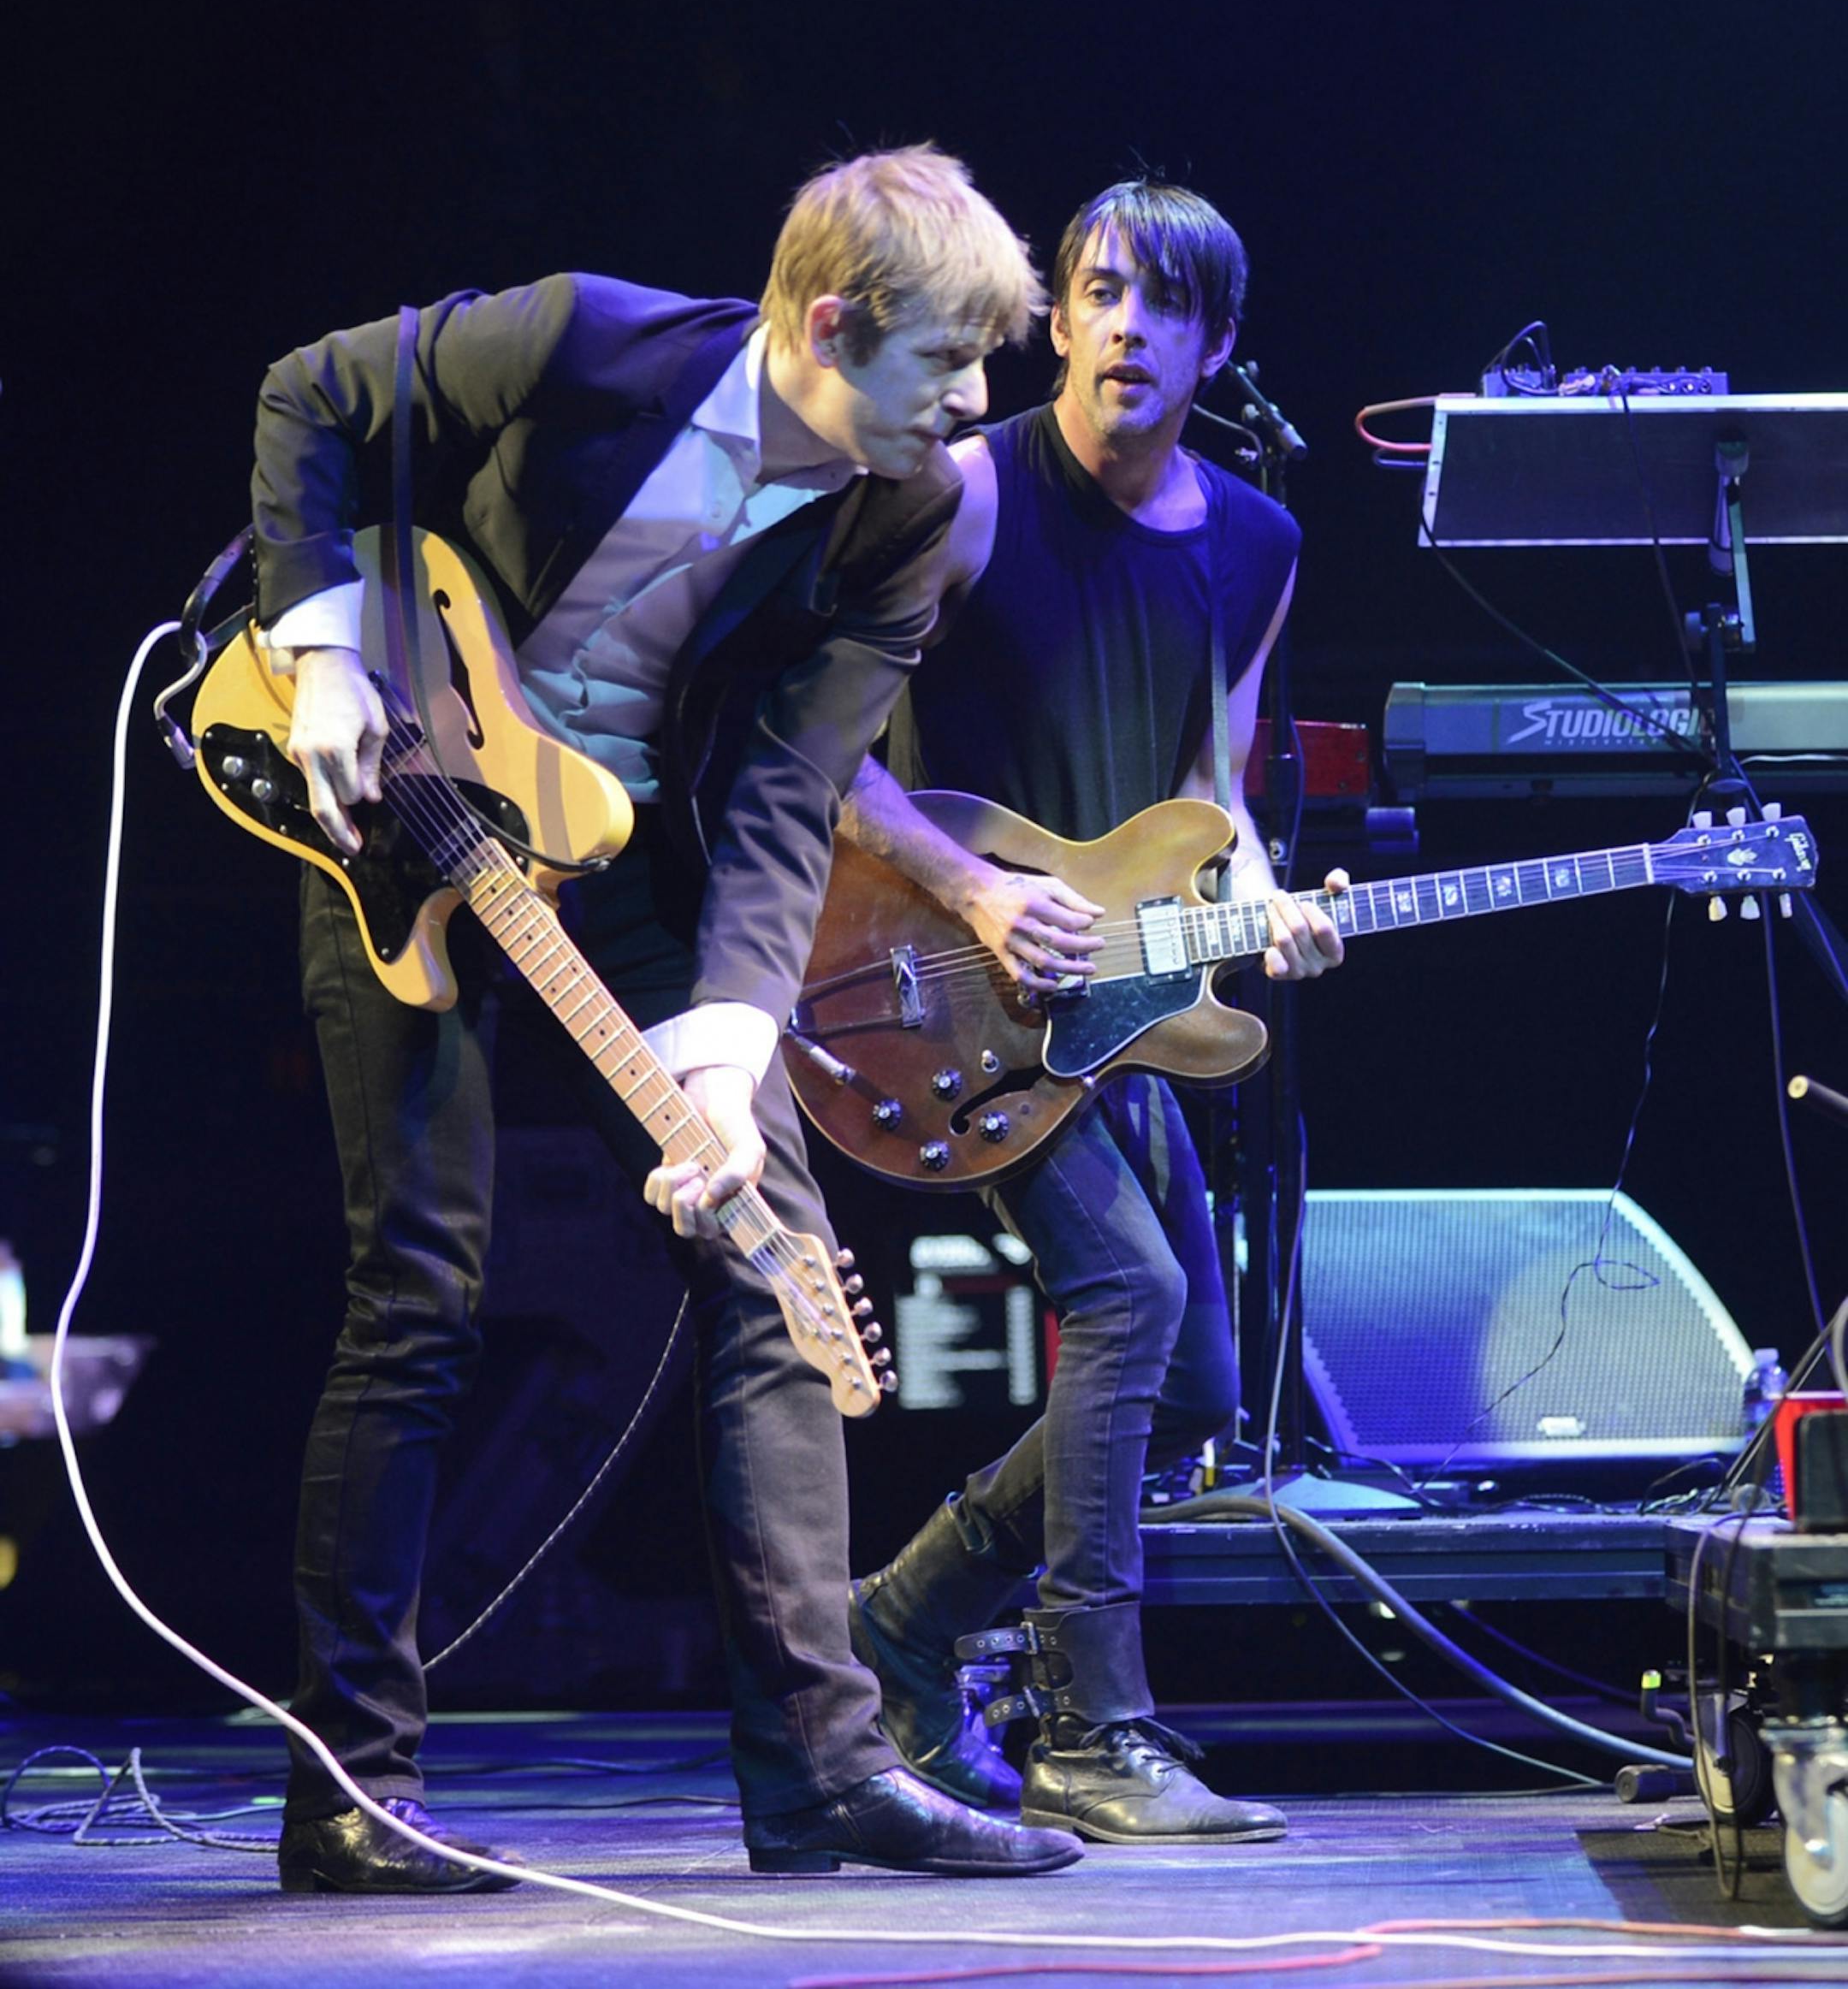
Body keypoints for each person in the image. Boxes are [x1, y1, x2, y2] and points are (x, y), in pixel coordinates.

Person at [250, 146, 1084, 1891]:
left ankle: (823, 1773)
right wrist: (325, 650)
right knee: (420, 1287)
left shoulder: (906, 510)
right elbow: (308, 397)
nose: (980, 400)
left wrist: (726, 1035)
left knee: (770, 1249)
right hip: (401, 798)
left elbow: (793, 787)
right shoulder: (587, 346)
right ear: (835, 324)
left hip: (630, 861)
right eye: (949, 362)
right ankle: (352, 1793)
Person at [838, 178, 1346, 1845]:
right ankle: (1088, 1726)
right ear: (1054, 317)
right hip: (934, 990)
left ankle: (902, 1621)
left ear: (1214, 342)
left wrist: (1264, 901)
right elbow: (815, 756)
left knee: (1195, 1381)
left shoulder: (1257, 545)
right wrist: (982, 893)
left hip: (1120, 1009)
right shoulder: (966, 496)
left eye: (1165, 302)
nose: (1127, 324)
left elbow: (1214, 788)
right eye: (1100, 292)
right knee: (1125, 1291)